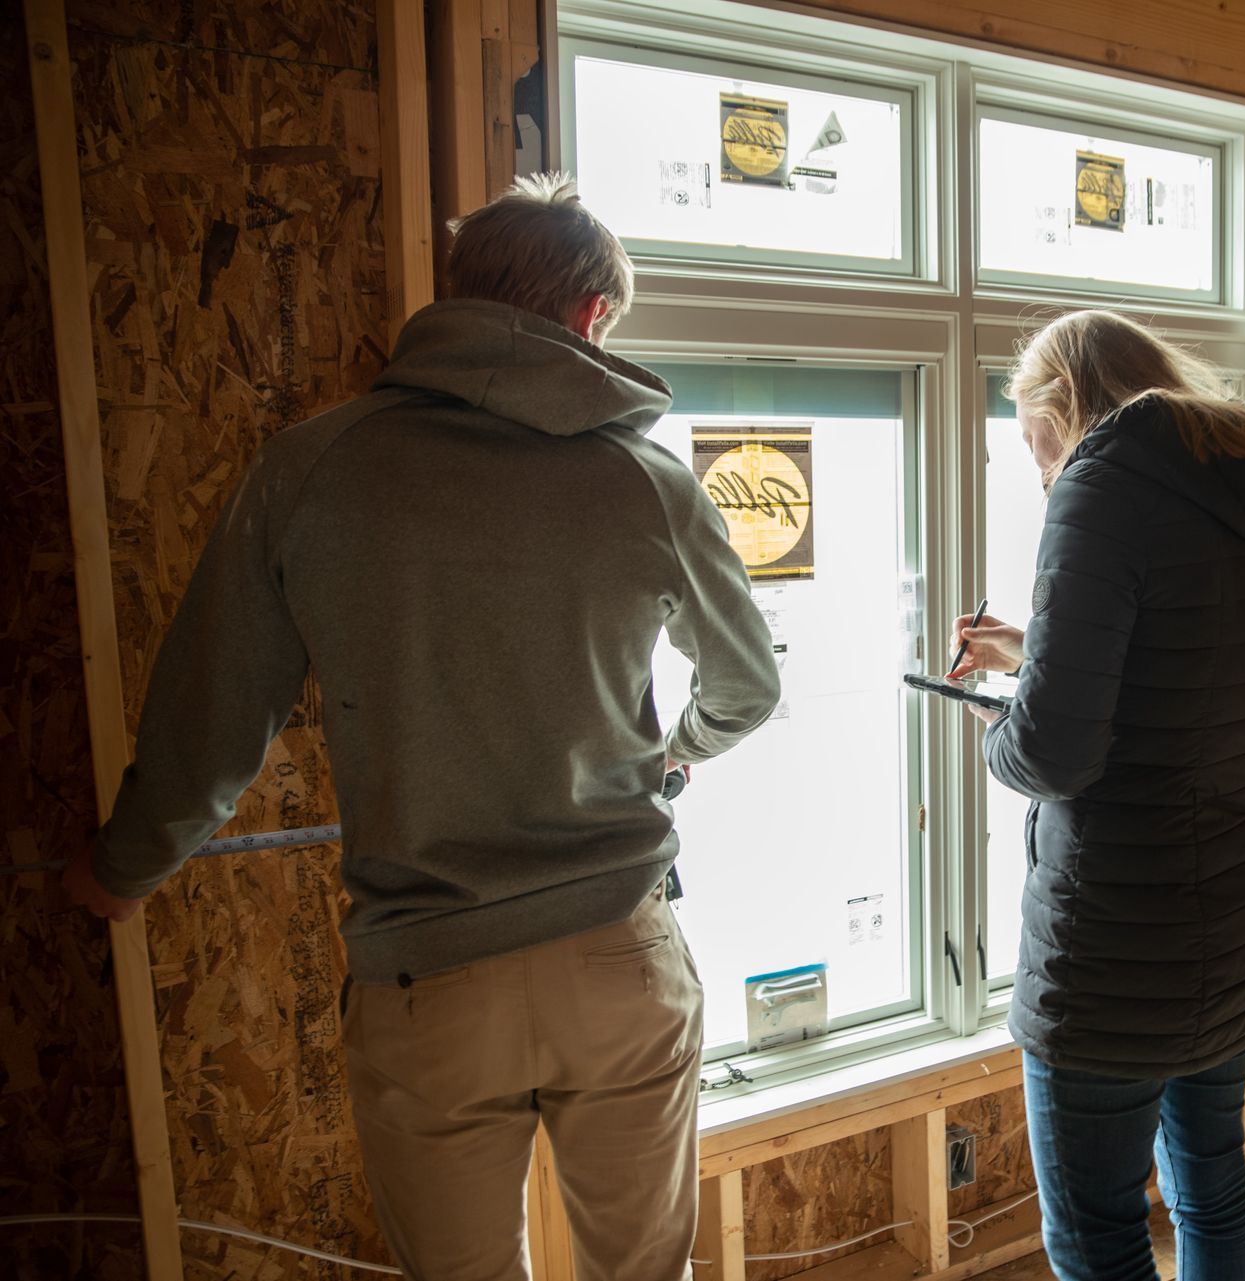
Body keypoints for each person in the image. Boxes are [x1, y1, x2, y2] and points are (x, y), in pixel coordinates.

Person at [61, 175, 781, 1281]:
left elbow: (213, 713)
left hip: (429, 980)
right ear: (591, 318)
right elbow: (747, 688)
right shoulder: (645, 479)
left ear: (463, 296)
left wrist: (125, 868)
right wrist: (677, 744)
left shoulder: (314, 467)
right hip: (617, 955)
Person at [950, 310, 1245, 1281]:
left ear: (1064, 407)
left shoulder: (1098, 486)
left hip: (1114, 954)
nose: (1038, 473)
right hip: (1229, 924)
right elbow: (1180, 668)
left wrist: (992, 723)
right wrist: (1037, 650)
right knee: (1209, 1190)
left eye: (1035, 444)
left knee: (1099, 1234)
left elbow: (1056, 756)